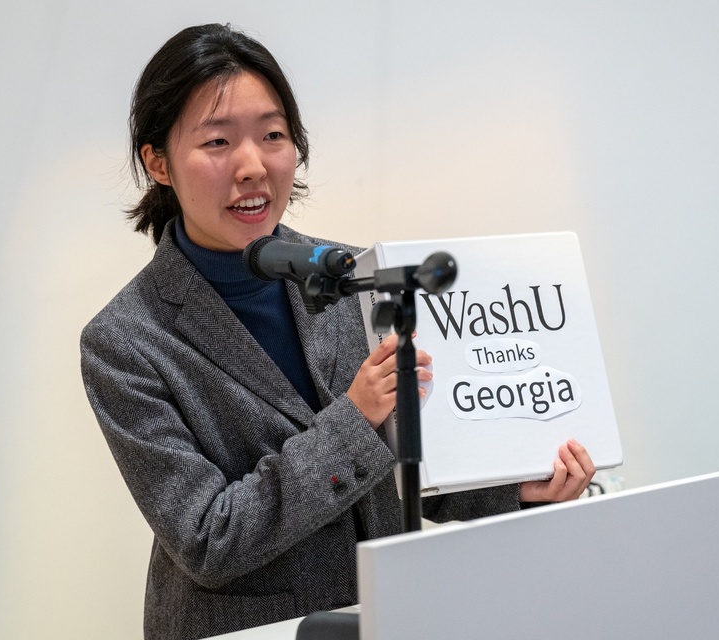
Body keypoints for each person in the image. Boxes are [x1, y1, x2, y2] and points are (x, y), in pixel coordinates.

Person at [80, 22, 596, 640]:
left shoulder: (358, 276)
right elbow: (208, 539)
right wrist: (354, 420)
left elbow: (410, 474)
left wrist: (519, 489)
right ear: (157, 162)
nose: (252, 165)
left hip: (382, 618)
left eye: (272, 135)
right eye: (218, 141)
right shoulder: (125, 340)